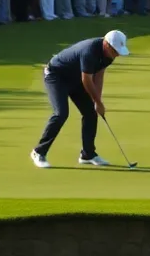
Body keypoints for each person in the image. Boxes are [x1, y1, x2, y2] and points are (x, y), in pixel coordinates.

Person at [31, 30, 130, 169]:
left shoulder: (109, 54)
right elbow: (86, 79)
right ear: (107, 45)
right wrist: (98, 102)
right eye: (115, 51)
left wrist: (97, 102)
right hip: (56, 76)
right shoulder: (90, 51)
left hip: (75, 78)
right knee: (61, 114)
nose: (117, 54)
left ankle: (87, 154)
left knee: (90, 112)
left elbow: (98, 76)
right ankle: (39, 152)